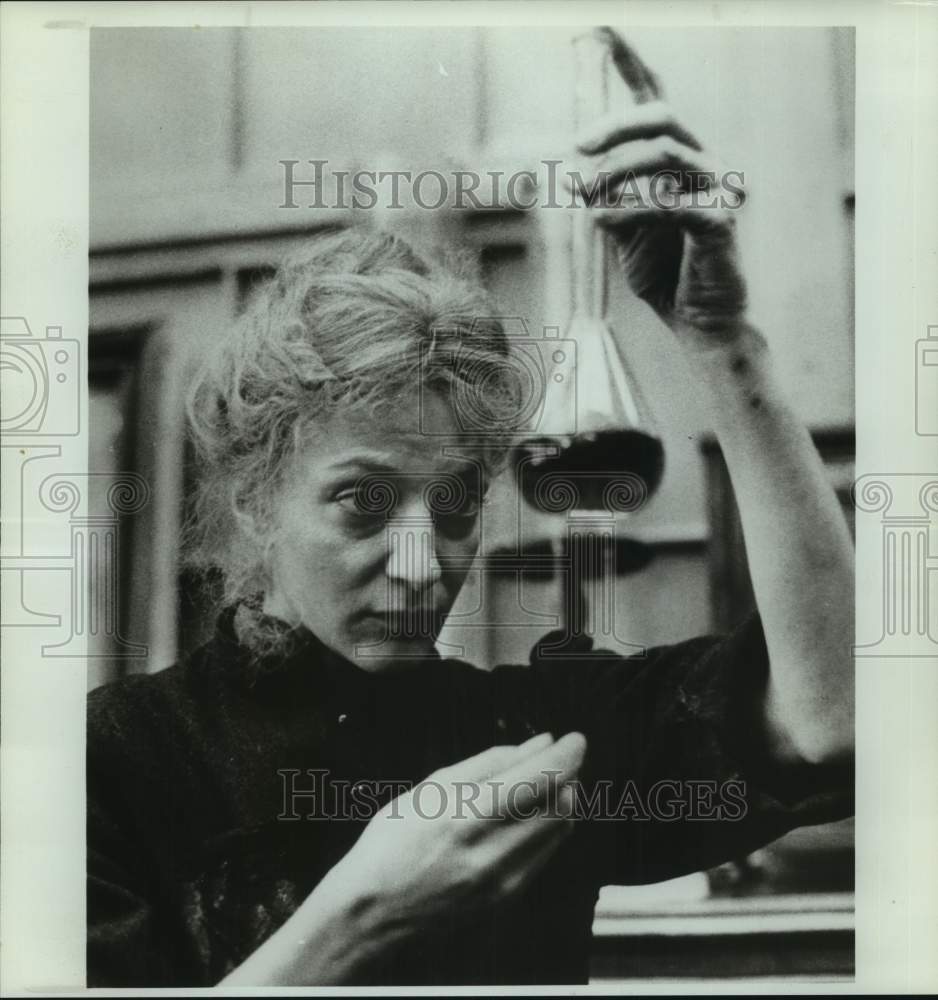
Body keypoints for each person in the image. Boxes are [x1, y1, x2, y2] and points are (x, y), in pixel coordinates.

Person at [86, 44, 854, 987]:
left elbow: (833, 718)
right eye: (365, 502)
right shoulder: (111, 763)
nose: (424, 564)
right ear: (254, 500)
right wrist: (361, 916)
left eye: (455, 504)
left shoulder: (534, 743)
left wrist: (722, 342)